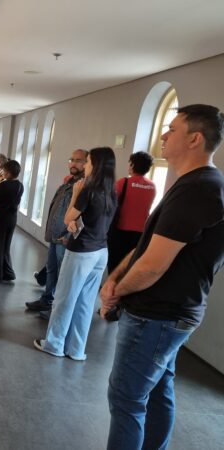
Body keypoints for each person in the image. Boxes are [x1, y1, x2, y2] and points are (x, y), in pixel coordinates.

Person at [100, 104, 224, 450]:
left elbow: (153, 266)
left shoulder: (199, 188)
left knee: (126, 399)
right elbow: (146, 246)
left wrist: (116, 292)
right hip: (168, 315)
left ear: (195, 139)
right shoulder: (192, 184)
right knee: (156, 391)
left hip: (157, 316)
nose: (164, 136)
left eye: (172, 129)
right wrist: (115, 278)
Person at [33, 147, 116, 360]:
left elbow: (67, 217)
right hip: (100, 252)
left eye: (87, 162)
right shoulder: (111, 191)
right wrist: (74, 223)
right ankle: (76, 349)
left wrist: (76, 195)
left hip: (81, 252)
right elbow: (92, 220)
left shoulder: (87, 190)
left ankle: (54, 344)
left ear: (95, 165)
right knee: (86, 303)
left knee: (64, 298)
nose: (85, 166)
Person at [26, 149, 88, 312]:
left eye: (78, 160)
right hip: (55, 235)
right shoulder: (68, 183)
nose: (73, 163)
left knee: (62, 274)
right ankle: (47, 300)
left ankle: (58, 308)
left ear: (86, 163)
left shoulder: (83, 186)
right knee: (51, 269)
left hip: (65, 238)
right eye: (71, 159)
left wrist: (68, 235)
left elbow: (82, 215)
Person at [107, 151, 156, 272]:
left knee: (115, 265)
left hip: (121, 232)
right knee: (130, 266)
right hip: (141, 233)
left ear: (133, 165)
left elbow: (109, 203)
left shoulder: (124, 182)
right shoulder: (152, 186)